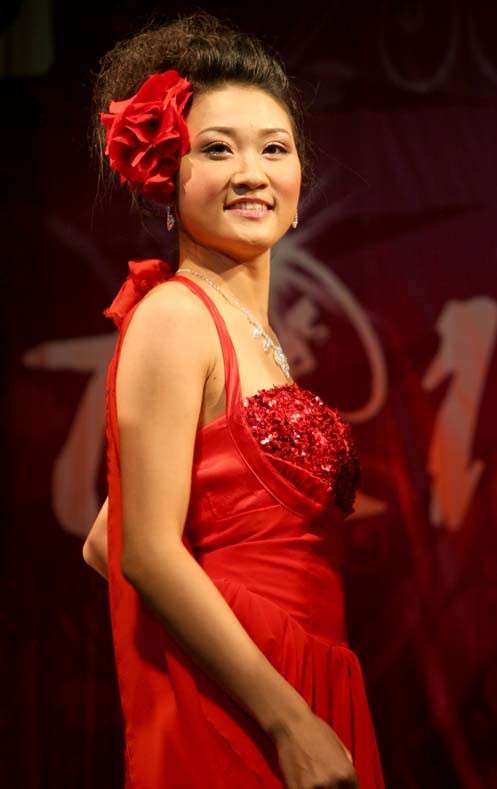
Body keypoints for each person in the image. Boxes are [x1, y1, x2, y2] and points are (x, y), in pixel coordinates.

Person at [82, 11, 385, 789]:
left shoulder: (252, 335)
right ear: (166, 175)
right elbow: (145, 551)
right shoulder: (177, 315)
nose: (252, 171)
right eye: (217, 148)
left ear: (299, 185)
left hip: (294, 670)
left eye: (274, 148)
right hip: (256, 701)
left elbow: (107, 536)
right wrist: (286, 716)